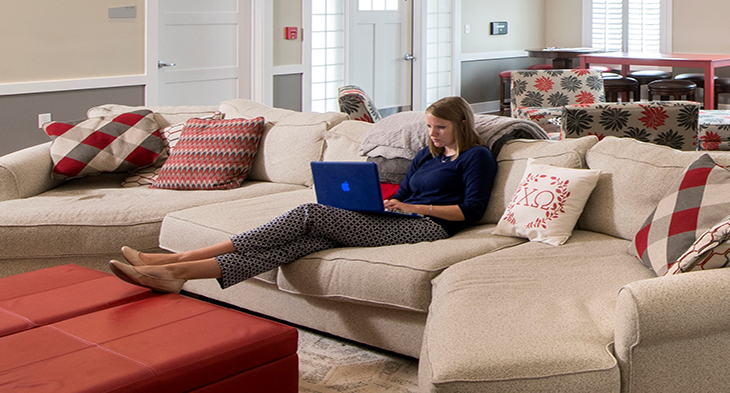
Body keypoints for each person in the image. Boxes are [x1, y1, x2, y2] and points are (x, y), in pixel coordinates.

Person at [110, 95, 495, 293]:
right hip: (398, 216)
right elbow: (405, 190)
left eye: (440, 127)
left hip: (430, 227)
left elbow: (472, 211)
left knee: (311, 214)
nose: (432, 133)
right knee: (296, 245)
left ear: (461, 124)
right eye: (429, 126)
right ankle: (177, 273)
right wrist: (385, 202)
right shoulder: (427, 153)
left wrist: (411, 206)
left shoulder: (476, 157)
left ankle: (183, 257)